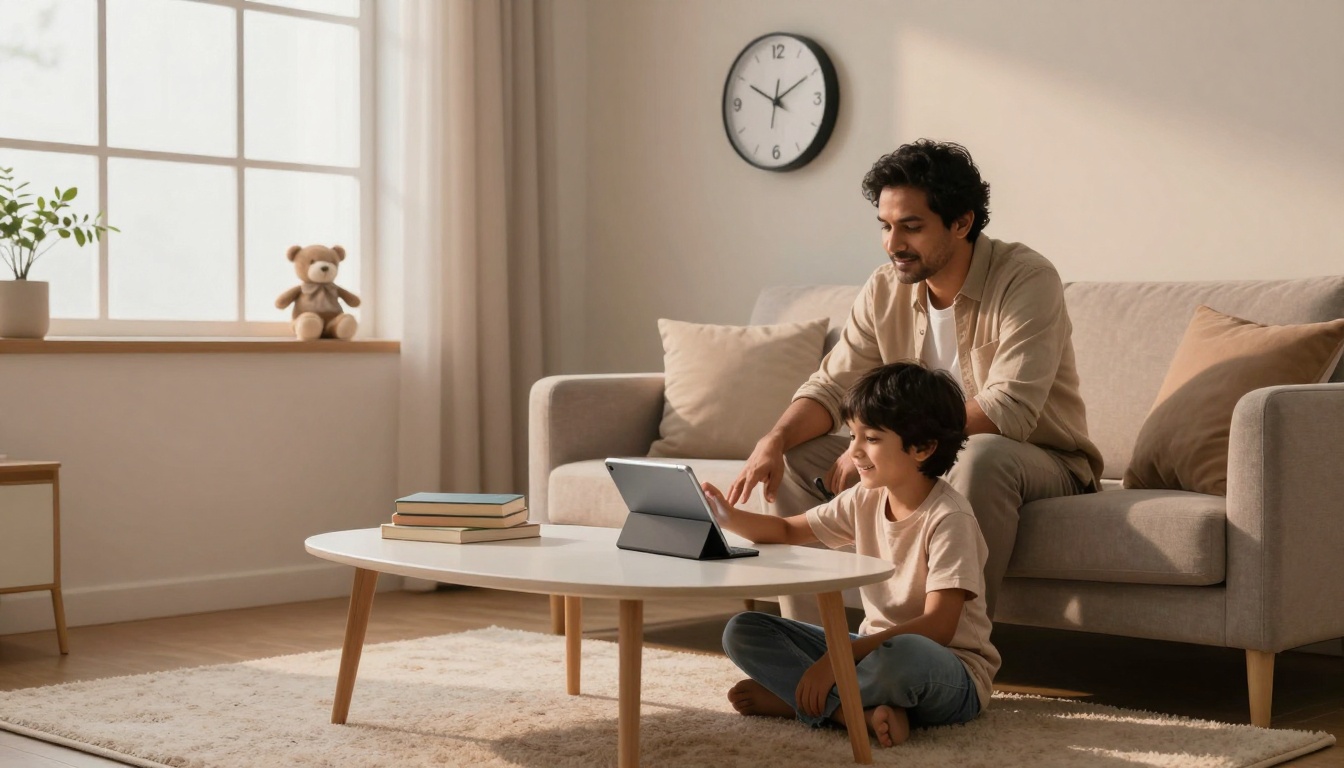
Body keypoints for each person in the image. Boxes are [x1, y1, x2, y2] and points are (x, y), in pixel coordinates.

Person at [727, 139, 1102, 619]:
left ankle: (952, 650)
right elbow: (831, 387)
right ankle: (815, 652)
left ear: (962, 222)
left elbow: (1008, 409)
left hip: (1041, 458)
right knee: (798, 459)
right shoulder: (885, 287)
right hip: (920, 454)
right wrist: (774, 440)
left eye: (911, 226)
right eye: (885, 226)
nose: (893, 243)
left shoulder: (1025, 278)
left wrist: (874, 445)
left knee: (981, 457)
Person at [704, 361, 998, 747]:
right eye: (853, 436)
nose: (853, 452)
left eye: (871, 439)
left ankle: (798, 701)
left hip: (947, 671)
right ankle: (847, 711)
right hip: (870, 652)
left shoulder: (950, 518)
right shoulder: (864, 498)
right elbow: (788, 530)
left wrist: (838, 662)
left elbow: (939, 627)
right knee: (743, 630)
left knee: (903, 657)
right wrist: (725, 515)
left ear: (923, 448)